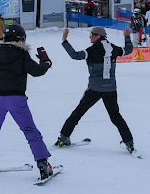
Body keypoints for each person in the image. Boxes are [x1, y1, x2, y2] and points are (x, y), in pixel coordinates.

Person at [0, 23, 53, 180]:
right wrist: (45, 61)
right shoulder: (22, 54)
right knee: (30, 130)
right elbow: (37, 71)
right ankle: (42, 163)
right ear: (21, 39)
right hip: (17, 99)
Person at [55, 25, 136, 153]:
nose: (90, 38)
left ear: (98, 36)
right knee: (116, 116)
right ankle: (129, 143)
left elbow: (75, 55)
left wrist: (65, 41)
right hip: (110, 89)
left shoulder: (92, 50)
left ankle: (63, 137)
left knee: (78, 112)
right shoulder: (114, 48)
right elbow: (128, 50)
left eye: (91, 35)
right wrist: (127, 37)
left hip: (94, 89)